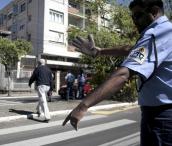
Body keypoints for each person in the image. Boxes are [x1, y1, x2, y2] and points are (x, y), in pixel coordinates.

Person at [62, 0, 172, 145]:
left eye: (138, 16)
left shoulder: (157, 34)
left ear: (154, 12)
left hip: (161, 117)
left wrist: (83, 106)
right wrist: (98, 52)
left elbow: (123, 74)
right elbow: (130, 50)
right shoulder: (165, 32)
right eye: (132, 17)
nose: (134, 21)